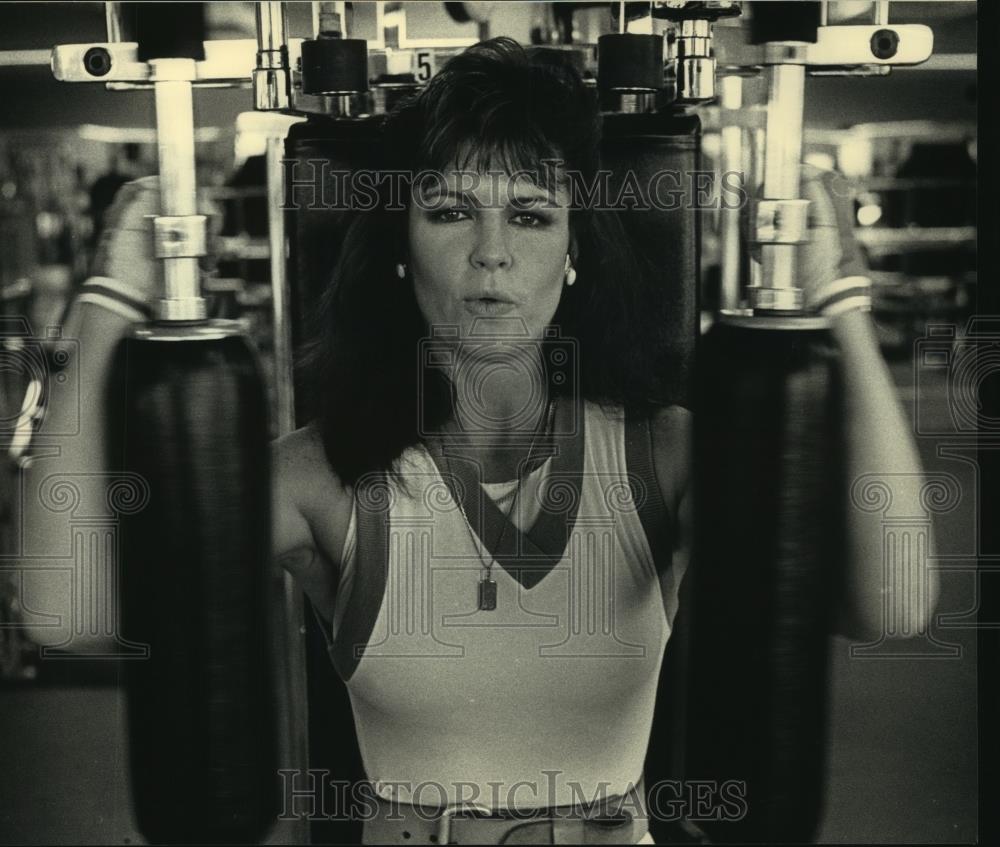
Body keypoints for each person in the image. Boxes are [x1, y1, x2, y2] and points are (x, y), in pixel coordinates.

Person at [20, 37, 936, 845]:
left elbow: (891, 603)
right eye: (451, 210)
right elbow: (65, 613)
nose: (492, 252)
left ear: (573, 250)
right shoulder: (323, 478)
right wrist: (104, 305)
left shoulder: (664, 455)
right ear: (399, 244)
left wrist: (841, 305)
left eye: (532, 215)